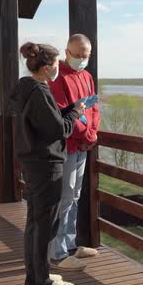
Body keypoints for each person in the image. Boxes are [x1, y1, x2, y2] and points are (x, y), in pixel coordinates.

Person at [10, 42, 85, 285]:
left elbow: (45, 119)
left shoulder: (25, 88)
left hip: (31, 163)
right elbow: (58, 130)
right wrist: (75, 114)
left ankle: (34, 275)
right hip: (46, 165)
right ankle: (43, 282)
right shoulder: (41, 92)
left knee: (34, 222)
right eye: (54, 65)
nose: (57, 69)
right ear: (45, 68)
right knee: (45, 225)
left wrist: (66, 110)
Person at [48, 34, 100, 270]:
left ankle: (70, 245)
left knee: (76, 196)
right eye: (77, 55)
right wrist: (85, 135)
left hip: (83, 146)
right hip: (68, 146)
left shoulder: (87, 76)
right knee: (65, 198)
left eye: (85, 55)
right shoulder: (58, 78)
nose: (81, 59)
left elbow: (93, 108)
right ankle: (57, 254)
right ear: (66, 52)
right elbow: (63, 114)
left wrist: (92, 135)